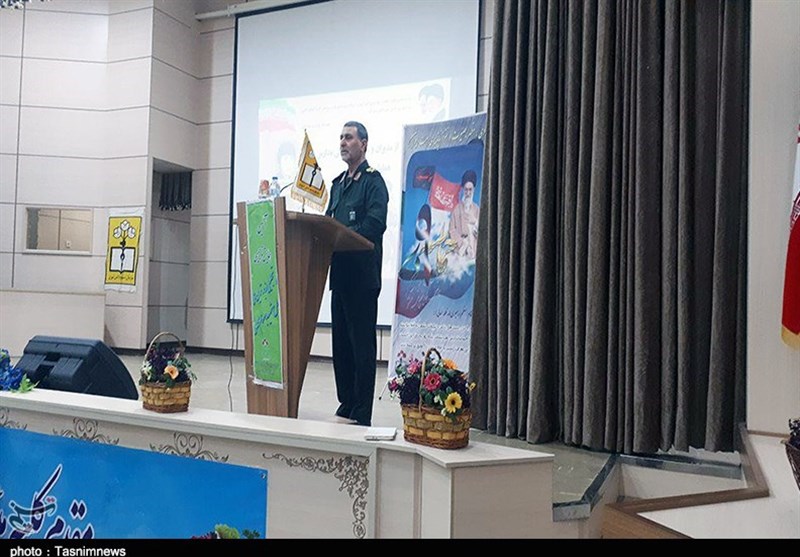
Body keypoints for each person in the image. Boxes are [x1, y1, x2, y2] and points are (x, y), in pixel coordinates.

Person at [325, 121, 389, 426]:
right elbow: (328, 221)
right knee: (341, 345)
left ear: (363, 143)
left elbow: (376, 223)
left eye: (348, 137)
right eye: (341, 137)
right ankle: (347, 401)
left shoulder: (373, 182)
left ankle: (362, 409)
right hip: (340, 276)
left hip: (362, 278)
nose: (343, 142)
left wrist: (346, 236)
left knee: (361, 345)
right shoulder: (337, 184)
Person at [448, 169, 480, 259]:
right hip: (459, 251)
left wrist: (475, 222)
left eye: (470, 190)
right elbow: (451, 230)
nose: (468, 193)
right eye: (466, 190)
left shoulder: (477, 210)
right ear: (463, 190)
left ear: (474, 190)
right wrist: (462, 243)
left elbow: (481, 231)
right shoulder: (456, 209)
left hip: (473, 251)